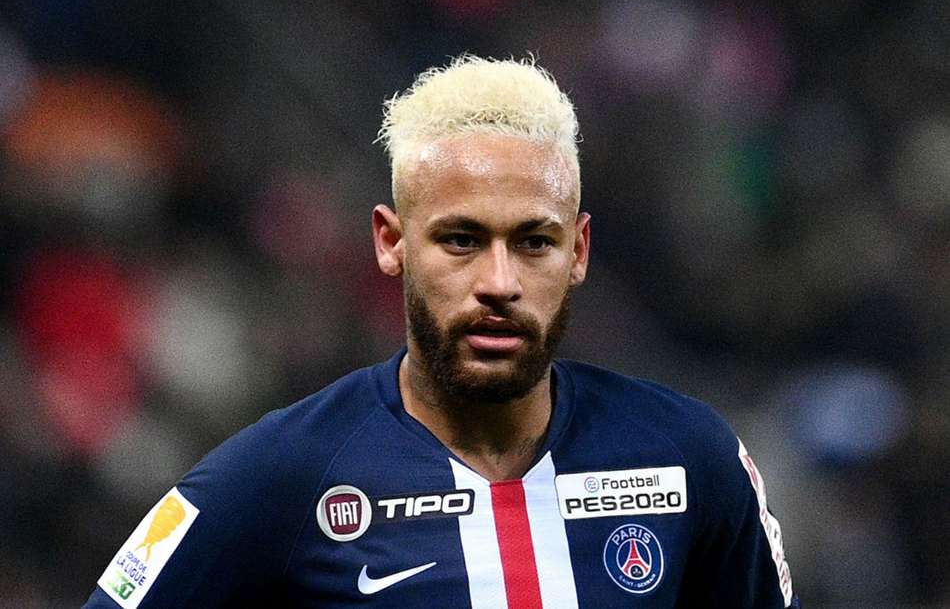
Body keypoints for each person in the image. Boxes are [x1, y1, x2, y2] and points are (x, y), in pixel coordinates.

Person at [85, 55, 799, 608]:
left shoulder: (687, 459)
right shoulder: (281, 475)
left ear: (579, 251)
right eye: (461, 240)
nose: (499, 282)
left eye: (535, 242)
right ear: (391, 242)